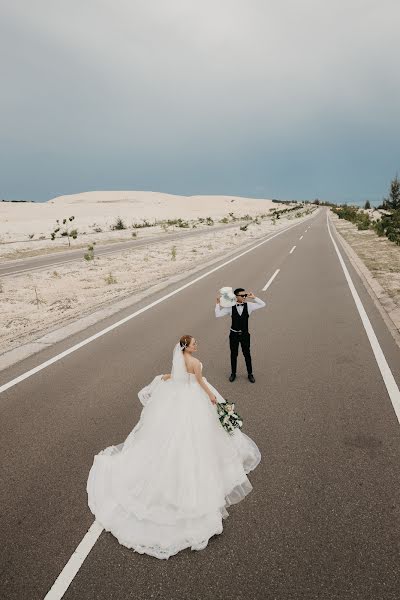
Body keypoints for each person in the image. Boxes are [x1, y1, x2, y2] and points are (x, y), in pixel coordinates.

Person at [87, 335, 261, 560]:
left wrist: (165, 378)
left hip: (178, 396)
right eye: (194, 343)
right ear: (187, 347)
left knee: (171, 434)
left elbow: (176, 376)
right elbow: (199, 382)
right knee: (197, 434)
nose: (197, 345)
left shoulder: (179, 359)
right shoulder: (195, 364)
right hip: (194, 398)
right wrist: (212, 397)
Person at [215, 288, 266, 383]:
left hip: (245, 335)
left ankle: (250, 374)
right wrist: (218, 304)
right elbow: (217, 314)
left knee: (247, 354)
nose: (245, 297)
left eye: (245, 295)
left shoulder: (249, 306)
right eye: (242, 295)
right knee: (233, 354)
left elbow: (263, 304)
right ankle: (233, 373)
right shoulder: (230, 307)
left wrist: (254, 297)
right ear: (236, 296)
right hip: (233, 334)